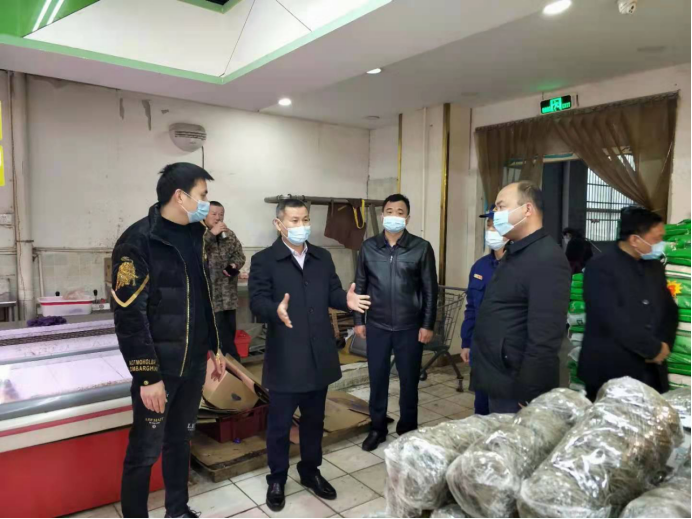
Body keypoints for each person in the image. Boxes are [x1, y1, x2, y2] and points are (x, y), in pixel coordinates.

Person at [112, 163, 225, 519]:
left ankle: (177, 510)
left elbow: (202, 298)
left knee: (181, 440)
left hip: (192, 366)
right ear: (180, 196)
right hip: (160, 370)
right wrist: (148, 377)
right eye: (202, 195)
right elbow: (130, 318)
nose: (206, 203)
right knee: (145, 451)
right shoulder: (138, 241)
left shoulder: (195, 234)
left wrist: (214, 348)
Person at [249, 199, 371, 512]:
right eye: (294, 220)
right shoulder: (265, 260)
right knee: (279, 425)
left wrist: (346, 300)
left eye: (305, 219)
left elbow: (332, 292)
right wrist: (274, 310)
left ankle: (310, 471)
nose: (301, 225)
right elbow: (256, 302)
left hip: (319, 355)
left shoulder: (321, 257)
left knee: (314, 421)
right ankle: (277, 478)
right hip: (286, 357)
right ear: (279, 224)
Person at [472, 181, 571, 414]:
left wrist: (530, 392)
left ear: (527, 209)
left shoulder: (546, 258)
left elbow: (545, 336)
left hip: (518, 387)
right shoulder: (517, 251)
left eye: (501, 206)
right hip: (501, 376)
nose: (495, 214)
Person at [354, 194, 438, 451]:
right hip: (377, 325)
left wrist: (427, 324)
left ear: (407, 218)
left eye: (400, 212)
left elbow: (430, 290)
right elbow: (360, 286)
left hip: (410, 327)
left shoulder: (421, 248)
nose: (394, 216)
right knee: (377, 380)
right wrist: (359, 320)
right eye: (389, 211)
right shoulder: (368, 247)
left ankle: (407, 429)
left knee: (409, 382)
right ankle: (377, 428)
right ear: (382, 216)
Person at [578, 206, 678, 401]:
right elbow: (613, 319)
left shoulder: (655, 266)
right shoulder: (600, 267)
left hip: (652, 371)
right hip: (611, 370)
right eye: (657, 238)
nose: (661, 244)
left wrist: (665, 344)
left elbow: (669, 310)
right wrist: (651, 349)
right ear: (634, 240)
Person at [460, 207, 507, 416]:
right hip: (481, 349)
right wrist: (466, 342)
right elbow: (471, 307)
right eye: (489, 225)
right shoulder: (480, 267)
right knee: (481, 407)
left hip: (506, 352)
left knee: (503, 410)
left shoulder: (520, 267)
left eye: (497, 225)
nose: (491, 230)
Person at [204, 201, 246, 361]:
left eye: (221, 214)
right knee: (214, 337)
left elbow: (239, 255)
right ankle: (217, 368)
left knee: (229, 335)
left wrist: (234, 265)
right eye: (213, 214)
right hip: (209, 298)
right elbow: (194, 253)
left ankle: (232, 367)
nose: (218, 217)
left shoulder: (229, 234)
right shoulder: (197, 235)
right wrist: (211, 234)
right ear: (204, 215)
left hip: (228, 297)